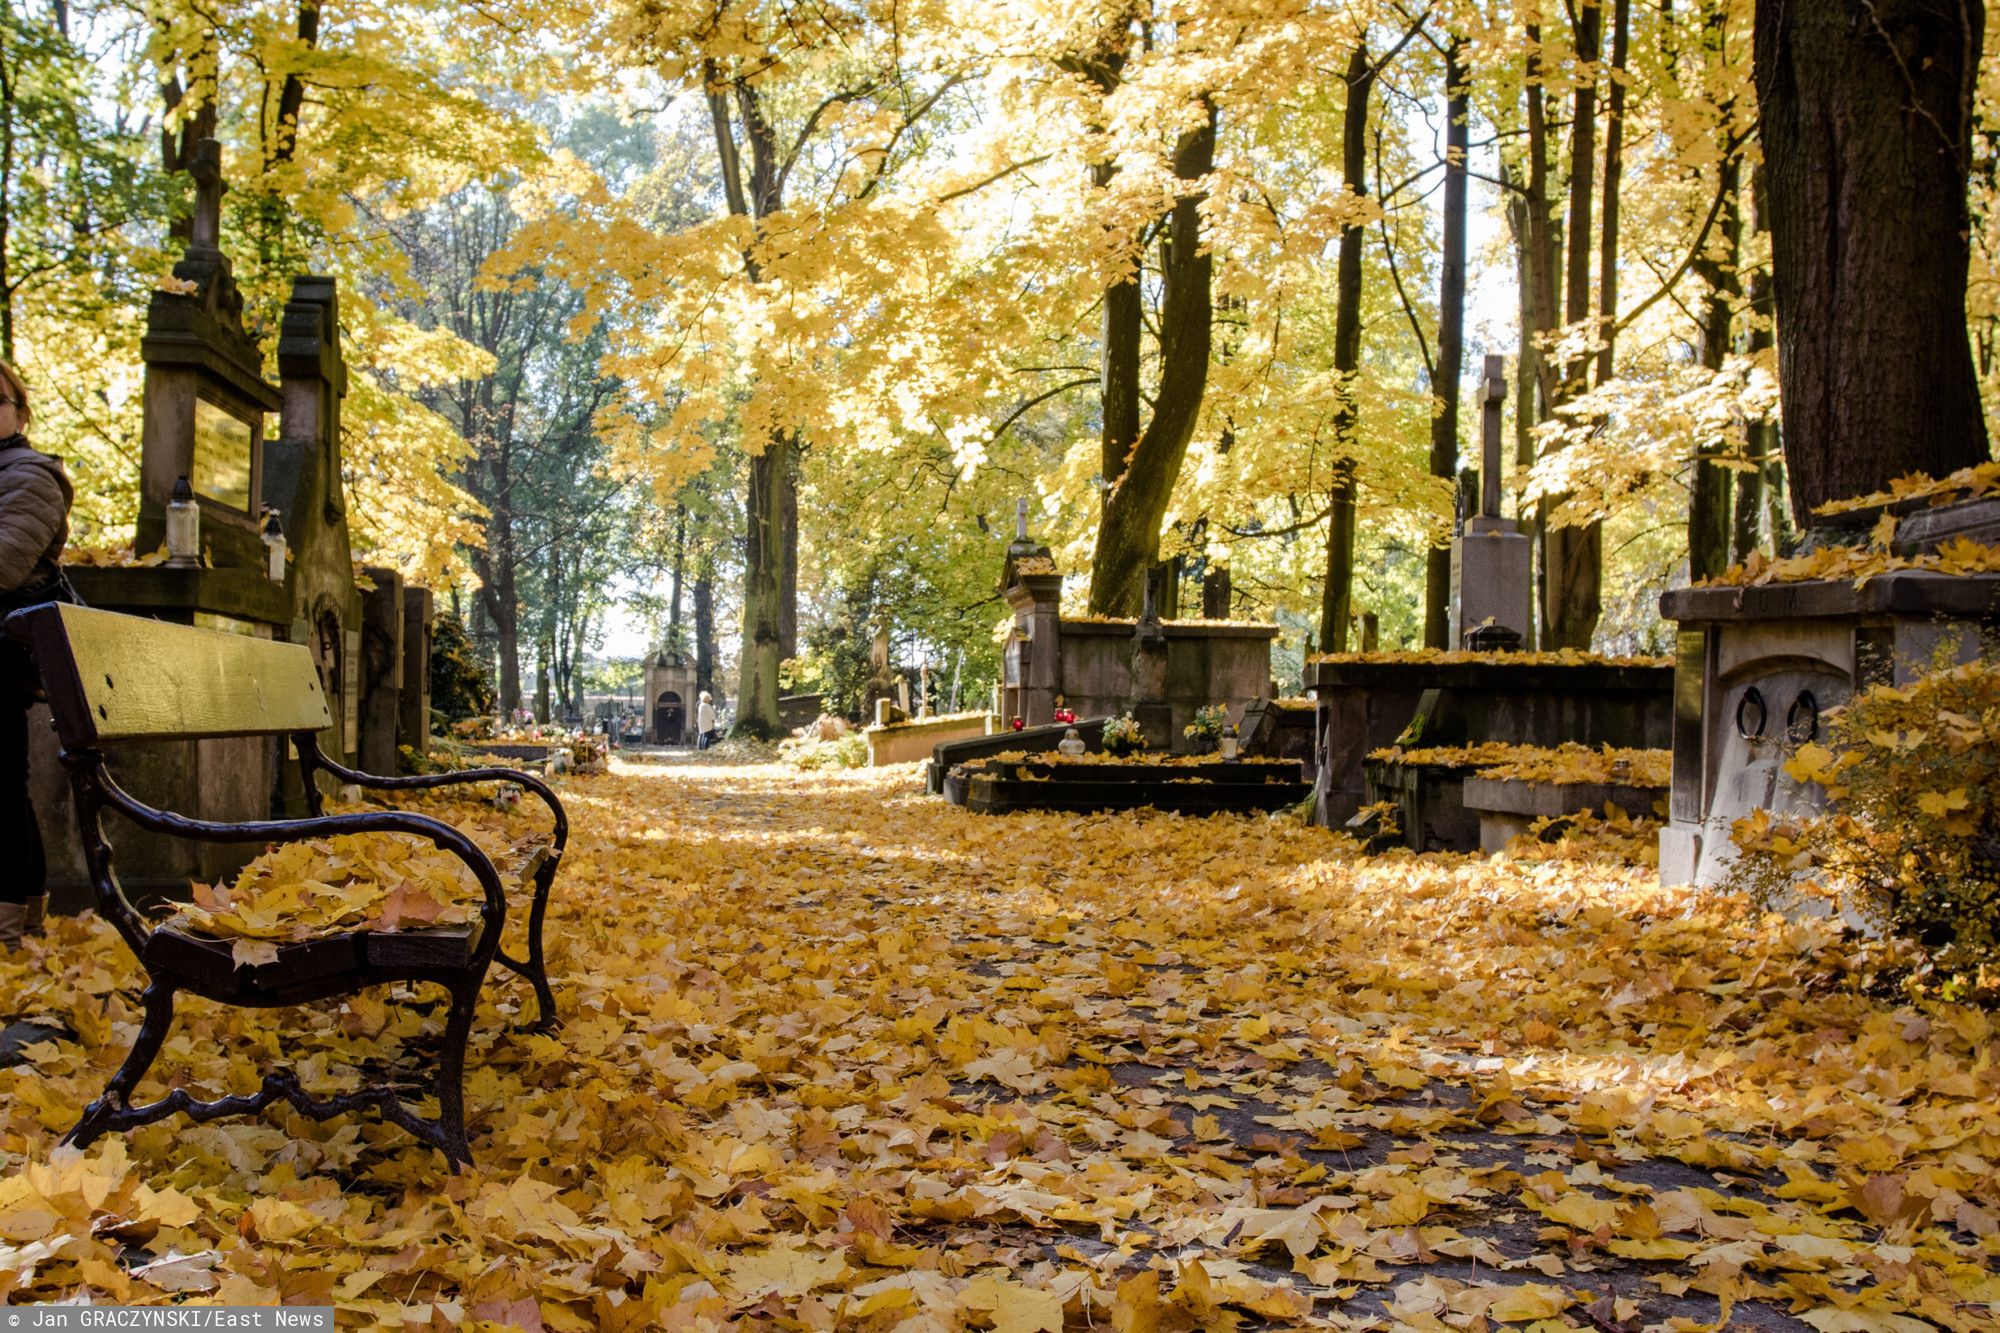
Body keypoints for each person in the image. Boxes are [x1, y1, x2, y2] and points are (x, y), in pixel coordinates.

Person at [0, 360, 74, 949]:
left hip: (2, 656)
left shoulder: (31, 476)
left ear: (21, 414)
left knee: (1, 785)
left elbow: (5, 564)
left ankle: (11, 927)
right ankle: (21, 919)